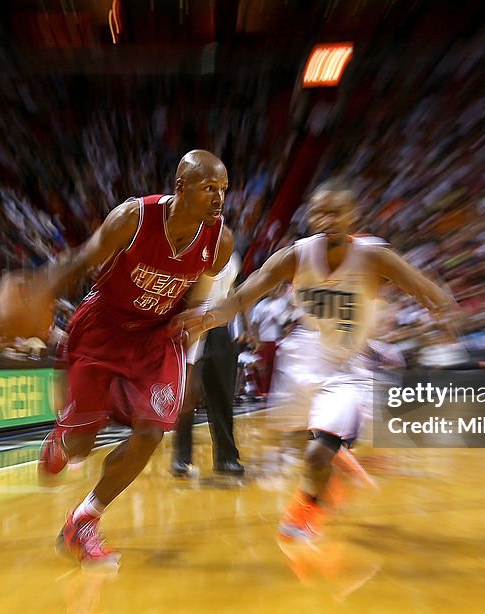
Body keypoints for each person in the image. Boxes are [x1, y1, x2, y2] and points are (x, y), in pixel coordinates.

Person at [176, 177, 462, 541]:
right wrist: (207, 316)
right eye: (318, 213)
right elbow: (240, 298)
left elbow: (426, 289)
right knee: (295, 442)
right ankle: (340, 460)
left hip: (348, 364)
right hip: (305, 353)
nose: (326, 220)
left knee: (316, 455)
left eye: (335, 213)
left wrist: (444, 311)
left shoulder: (374, 256)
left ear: (351, 216)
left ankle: (306, 511)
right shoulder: (296, 255)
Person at [0, 150, 234, 568]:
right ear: (181, 188)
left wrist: (192, 353)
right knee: (82, 443)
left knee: (152, 432)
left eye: (223, 190)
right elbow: (82, 260)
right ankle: (64, 440)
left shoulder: (220, 242)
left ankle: (83, 521)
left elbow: (198, 299)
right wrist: (36, 291)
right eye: (209, 188)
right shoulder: (134, 218)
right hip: (104, 327)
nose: (219, 199)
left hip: (157, 337)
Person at [172, 250, 246, 477]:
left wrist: (243, 327)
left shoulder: (233, 257)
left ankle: (226, 457)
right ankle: (181, 458)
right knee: (187, 396)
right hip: (192, 325)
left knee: (222, 396)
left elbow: (234, 292)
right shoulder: (191, 253)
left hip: (219, 328)